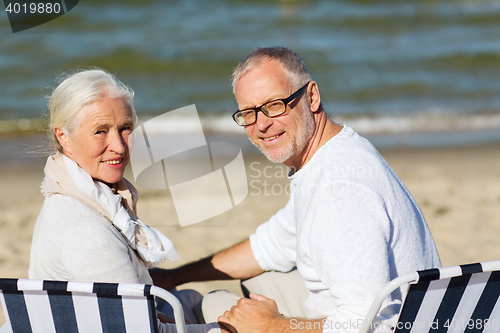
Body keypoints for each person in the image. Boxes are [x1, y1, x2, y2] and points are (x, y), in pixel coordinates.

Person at [150, 47, 441, 333]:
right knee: (258, 282)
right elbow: (270, 245)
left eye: (274, 104)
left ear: (311, 96)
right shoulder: (334, 154)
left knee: (216, 308)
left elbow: (371, 324)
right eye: (248, 113)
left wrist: (272, 326)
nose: (262, 124)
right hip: (390, 316)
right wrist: (174, 276)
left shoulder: (339, 190)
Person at [28, 68, 229, 333]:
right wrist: (228, 329)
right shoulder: (85, 229)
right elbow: (140, 330)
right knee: (225, 306)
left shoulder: (75, 193)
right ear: (63, 136)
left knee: (198, 297)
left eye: (125, 129)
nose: (120, 147)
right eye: (100, 131)